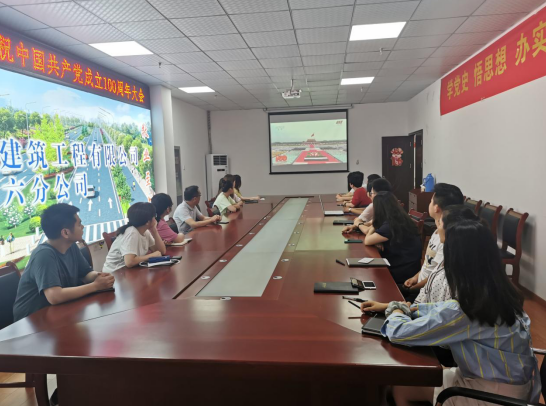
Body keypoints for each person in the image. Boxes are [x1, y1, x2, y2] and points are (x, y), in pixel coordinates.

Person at [377, 219, 540, 405]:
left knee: (401, 385)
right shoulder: (498, 294)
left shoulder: (469, 309)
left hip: (491, 395)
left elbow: (398, 332)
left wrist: (396, 310)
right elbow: (442, 310)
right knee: (411, 378)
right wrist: (408, 308)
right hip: (508, 384)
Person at [13, 204, 115, 322]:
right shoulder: (44, 255)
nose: (82, 227)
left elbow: (85, 274)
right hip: (32, 321)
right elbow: (54, 296)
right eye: (79, 224)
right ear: (65, 233)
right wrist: (95, 286)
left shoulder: (71, 246)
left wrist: (99, 276)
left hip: (58, 312)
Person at [401, 183, 464, 300]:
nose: (429, 204)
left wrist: (409, 290)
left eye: (431, 201)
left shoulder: (446, 240)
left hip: (426, 293)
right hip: (420, 286)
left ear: (436, 208)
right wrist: (415, 278)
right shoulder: (437, 232)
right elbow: (429, 265)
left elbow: (435, 277)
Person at [363, 191, 422, 284]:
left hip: (401, 274)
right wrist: (378, 240)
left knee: (367, 274)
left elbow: (367, 240)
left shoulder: (390, 225)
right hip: (409, 268)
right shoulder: (400, 218)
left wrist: (374, 225)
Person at [102, 202, 167, 273]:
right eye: (154, 216)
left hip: (129, 271)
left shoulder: (145, 232)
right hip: (114, 274)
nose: (155, 219)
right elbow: (129, 262)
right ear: (148, 222)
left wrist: (154, 231)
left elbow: (161, 251)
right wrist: (152, 255)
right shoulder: (131, 232)